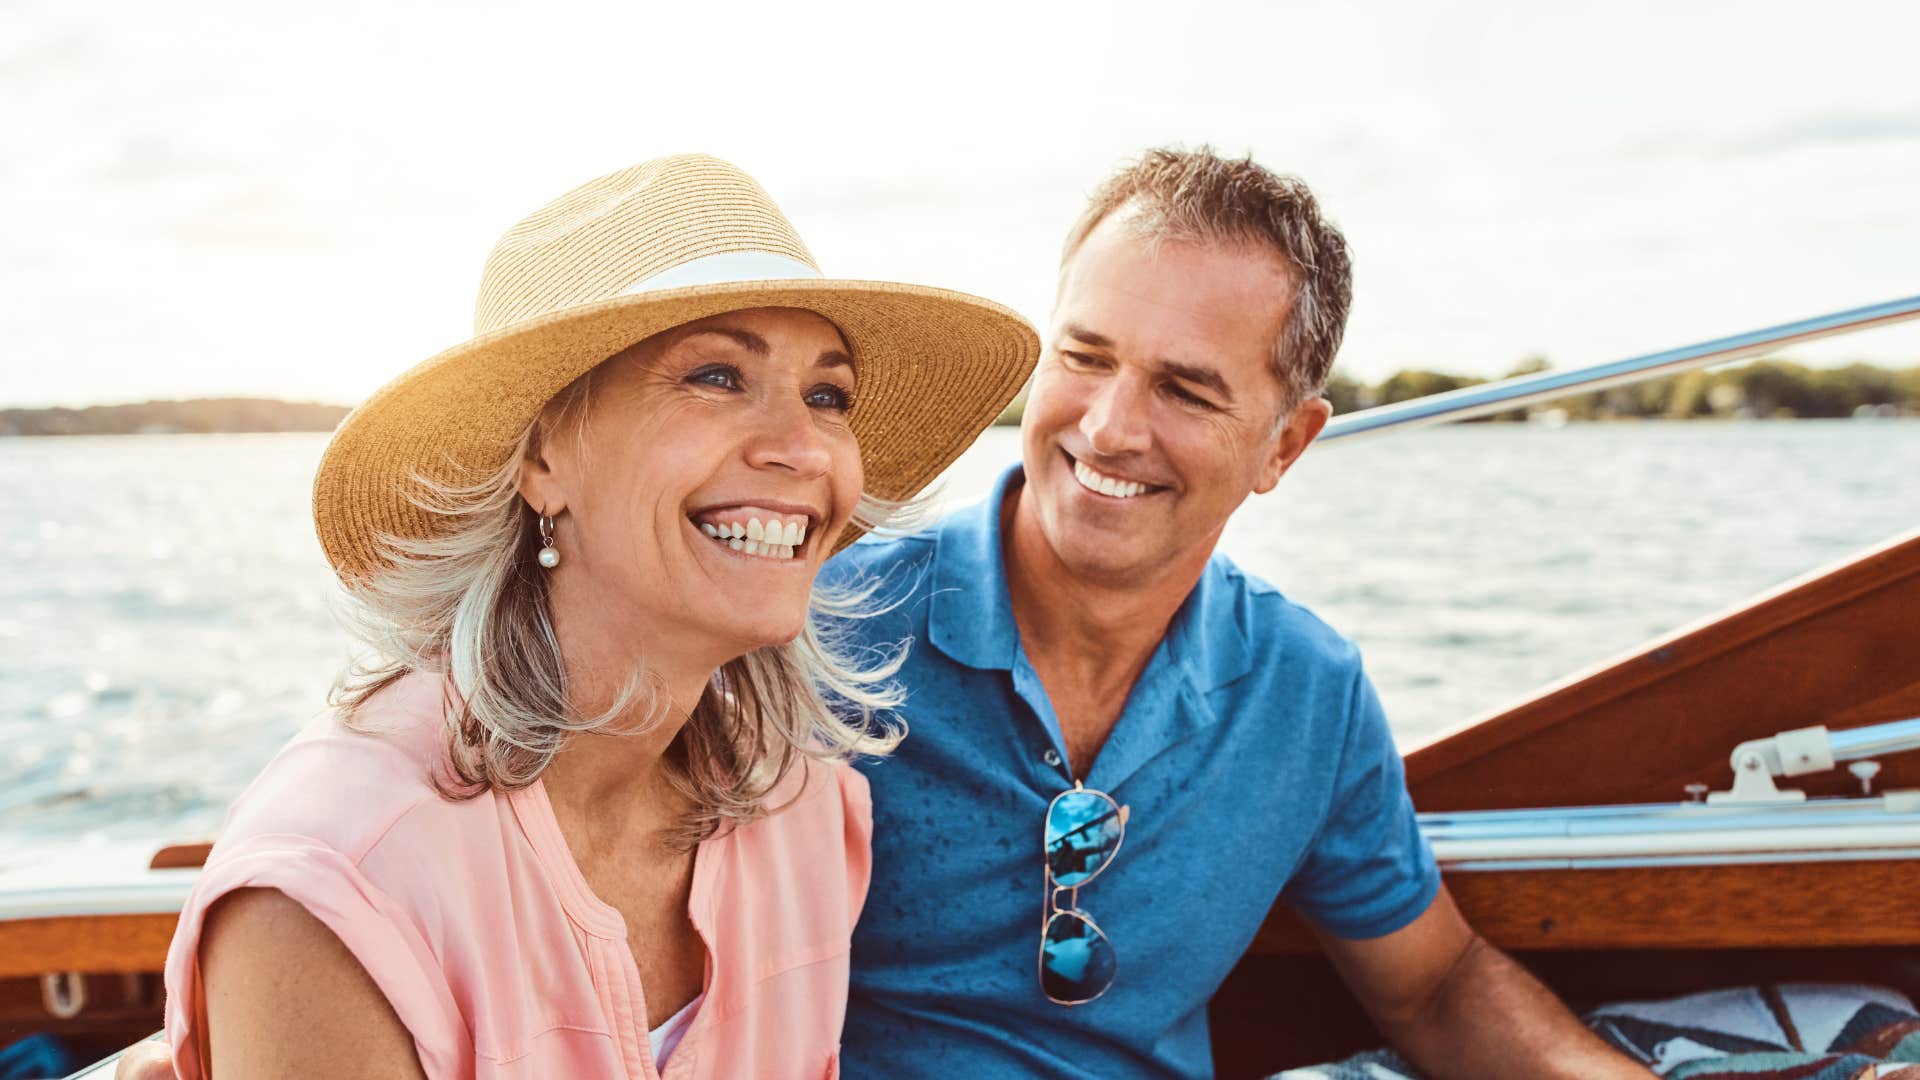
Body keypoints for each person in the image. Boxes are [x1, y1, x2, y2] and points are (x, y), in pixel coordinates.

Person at [133, 154, 1038, 1079]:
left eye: (827, 396)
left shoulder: (802, 807)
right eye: (716, 376)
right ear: (542, 459)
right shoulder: (341, 875)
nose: (803, 449)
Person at [824, 148, 1654, 1078]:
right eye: (1084, 358)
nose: (1108, 428)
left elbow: (1436, 987)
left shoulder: (1305, 690)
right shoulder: (825, 627)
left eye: (1184, 390)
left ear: (1284, 446)